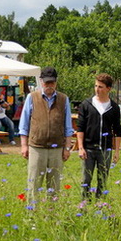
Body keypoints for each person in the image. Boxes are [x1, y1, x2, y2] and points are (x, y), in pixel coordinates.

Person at [18, 67, 75, 196]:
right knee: (34, 184)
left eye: (52, 82)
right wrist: (23, 145)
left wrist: (67, 148)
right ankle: (33, 214)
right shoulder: (31, 98)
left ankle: (52, 214)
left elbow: (68, 126)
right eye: (46, 82)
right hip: (36, 147)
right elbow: (24, 124)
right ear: (41, 81)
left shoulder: (63, 99)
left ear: (56, 82)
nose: (49, 85)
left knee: (54, 186)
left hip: (57, 149)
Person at [76, 73, 121, 199]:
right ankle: (84, 203)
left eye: (101, 87)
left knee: (102, 179)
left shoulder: (114, 107)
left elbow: (117, 131)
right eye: (96, 86)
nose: (97, 89)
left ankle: (100, 203)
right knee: (86, 179)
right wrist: (80, 147)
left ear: (108, 89)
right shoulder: (86, 104)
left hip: (105, 150)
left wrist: (116, 151)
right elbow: (80, 127)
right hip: (89, 148)